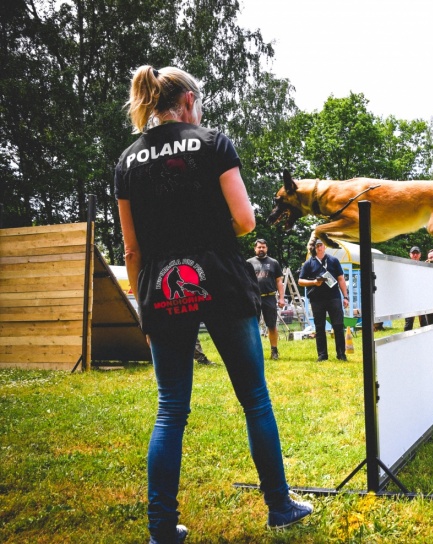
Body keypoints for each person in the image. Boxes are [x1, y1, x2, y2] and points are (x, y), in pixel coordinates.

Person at [116, 65, 311, 544]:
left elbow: (131, 250)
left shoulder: (128, 160)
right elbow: (245, 221)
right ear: (187, 101)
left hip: (163, 286)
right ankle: (279, 506)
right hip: (221, 279)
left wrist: (145, 309)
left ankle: (161, 529)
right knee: (255, 399)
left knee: (170, 410)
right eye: (198, 103)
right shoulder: (213, 142)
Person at [298, 239, 350, 361]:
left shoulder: (333, 260)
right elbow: (300, 281)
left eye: (321, 245)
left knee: (338, 325)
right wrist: (313, 282)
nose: (319, 247)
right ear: (314, 248)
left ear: (325, 246)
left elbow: (341, 279)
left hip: (334, 297)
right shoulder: (309, 263)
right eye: (317, 246)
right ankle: (322, 355)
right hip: (317, 299)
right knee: (320, 327)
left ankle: (341, 354)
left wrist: (345, 297)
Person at [247, 239, 285, 360]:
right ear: (255, 248)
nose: (261, 249)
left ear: (266, 248)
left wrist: (282, 298)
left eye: (263, 247)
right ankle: (254, 352)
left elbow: (279, 281)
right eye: (259, 247)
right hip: (254, 298)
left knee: (272, 325)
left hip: (270, 297)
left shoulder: (274, 262)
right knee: (253, 326)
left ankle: (274, 351)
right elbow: (244, 281)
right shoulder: (249, 263)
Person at [403, 246, 428, 331]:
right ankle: (407, 338)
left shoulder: (424, 266)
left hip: (422, 297)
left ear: (420, 255)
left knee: (424, 322)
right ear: (410, 254)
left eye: (417, 253)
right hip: (410, 298)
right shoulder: (405, 266)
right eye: (413, 253)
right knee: (408, 323)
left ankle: (425, 337)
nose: (415, 255)